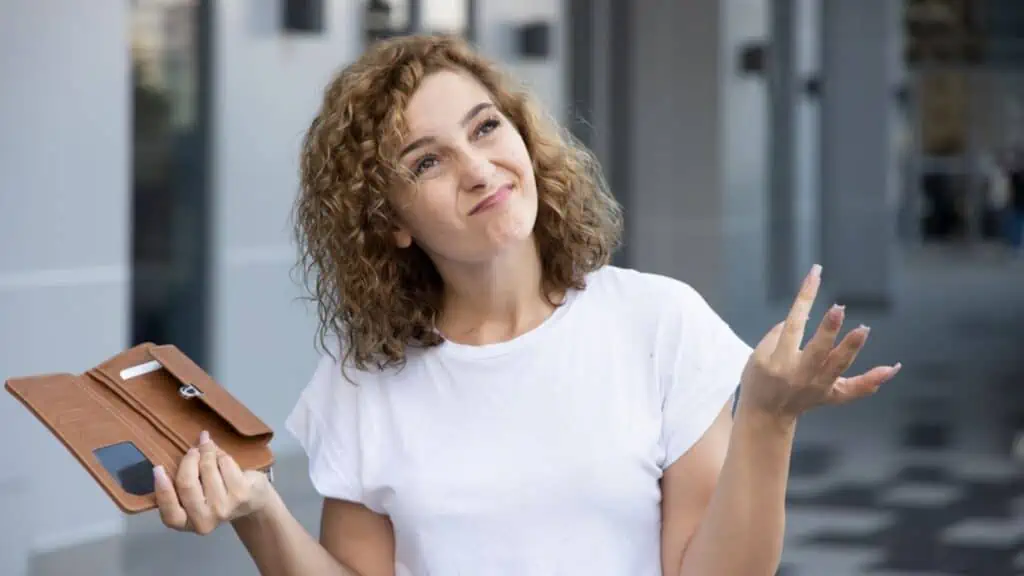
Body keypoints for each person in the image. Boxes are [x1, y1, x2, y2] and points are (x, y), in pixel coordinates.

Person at [150, 35, 901, 575]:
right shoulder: (364, 377)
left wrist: (767, 421)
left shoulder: (657, 324)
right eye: (427, 161)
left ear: (525, 137)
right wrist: (259, 514)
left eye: (485, 127)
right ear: (391, 225)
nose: (479, 170)